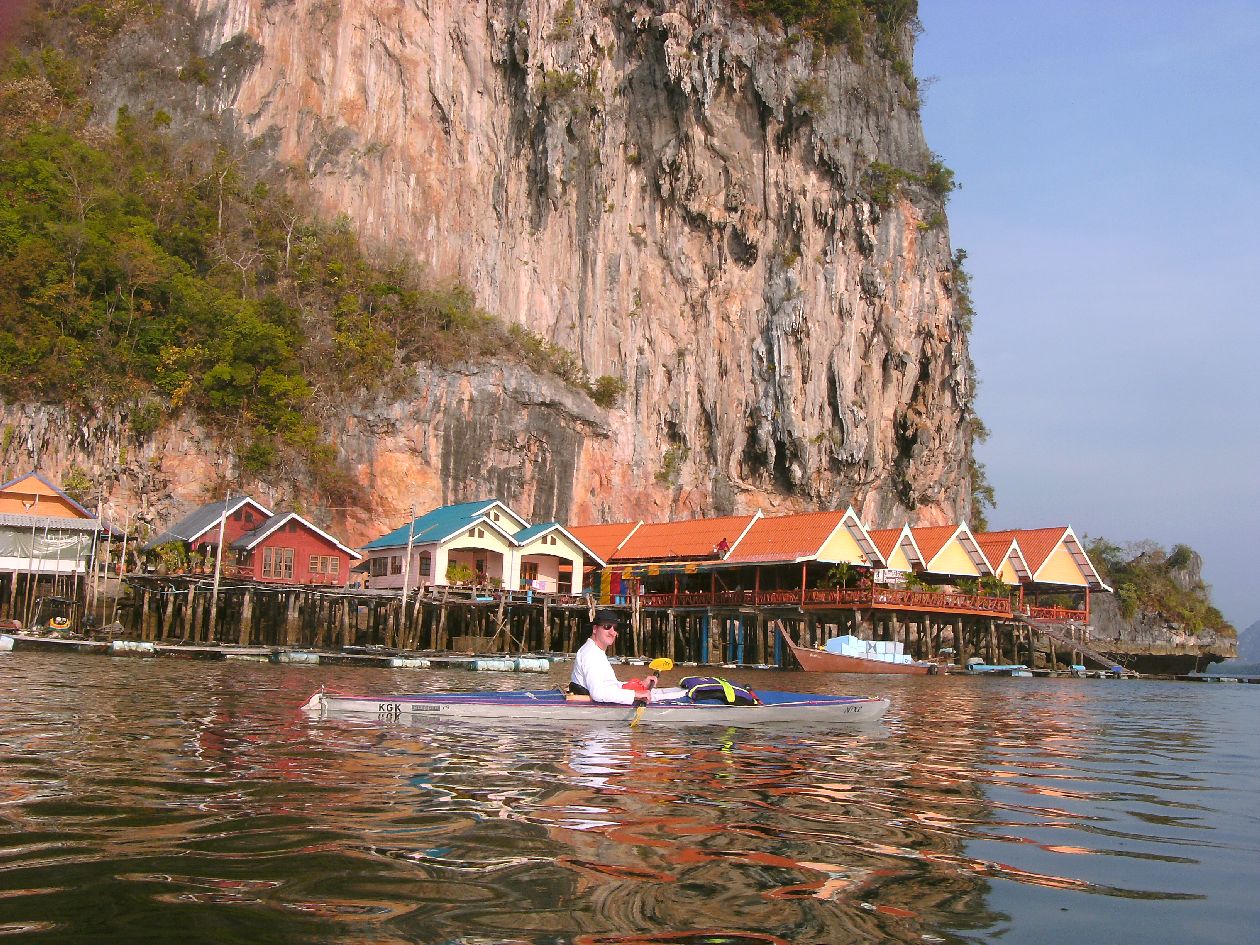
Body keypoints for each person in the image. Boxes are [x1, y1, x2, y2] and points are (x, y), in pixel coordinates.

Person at [570, 609, 684, 705]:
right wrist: (635, 694)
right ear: (595, 629)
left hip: (598, 701)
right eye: (607, 626)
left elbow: (609, 685)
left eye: (615, 628)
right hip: (594, 707)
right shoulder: (591, 654)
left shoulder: (595, 651)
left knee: (678, 692)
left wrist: (641, 685)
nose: (612, 632)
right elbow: (598, 693)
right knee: (682, 695)